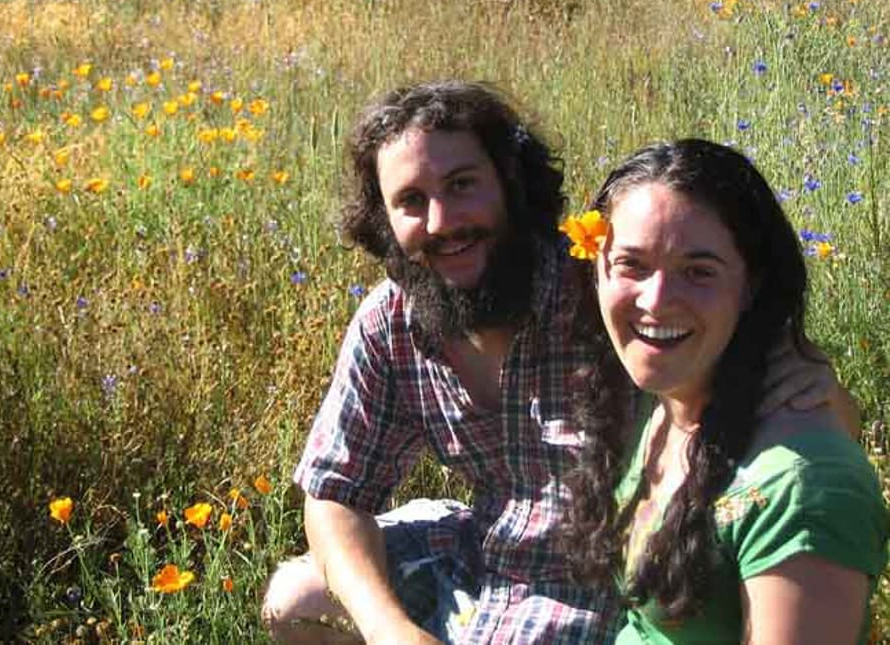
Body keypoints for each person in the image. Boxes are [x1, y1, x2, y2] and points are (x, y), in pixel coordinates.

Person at [261, 82, 857, 644]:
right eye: (411, 201)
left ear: (510, 183)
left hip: (605, 579)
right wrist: (390, 629)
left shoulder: (607, 293)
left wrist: (818, 386)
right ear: (384, 220)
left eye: (463, 184)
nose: (442, 221)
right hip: (484, 545)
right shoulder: (391, 322)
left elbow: (802, 433)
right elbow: (335, 494)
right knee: (295, 598)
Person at [560, 139, 888, 644]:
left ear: (751, 284)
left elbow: (805, 478)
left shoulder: (799, 488)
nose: (657, 301)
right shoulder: (666, 395)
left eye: (698, 272)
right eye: (632, 264)